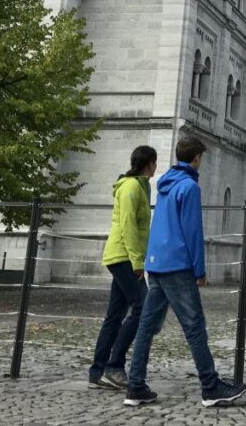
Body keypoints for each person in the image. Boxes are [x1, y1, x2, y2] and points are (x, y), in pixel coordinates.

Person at [124, 136, 246, 407]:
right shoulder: (189, 187)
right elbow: (193, 231)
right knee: (194, 326)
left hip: (155, 263)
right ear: (196, 158)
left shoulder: (164, 184)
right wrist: (199, 270)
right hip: (177, 264)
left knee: (146, 327)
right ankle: (210, 386)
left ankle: (135, 386)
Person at [88, 145, 156, 390]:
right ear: (150, 163)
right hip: (123, 257)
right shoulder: (130, 187)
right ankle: (114, 365)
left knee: (115, 315)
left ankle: (97, 371)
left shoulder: (139, 186)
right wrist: (138, 262)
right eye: (154, 163)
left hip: (123, 256)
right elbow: (128, 225)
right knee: (142, 307)